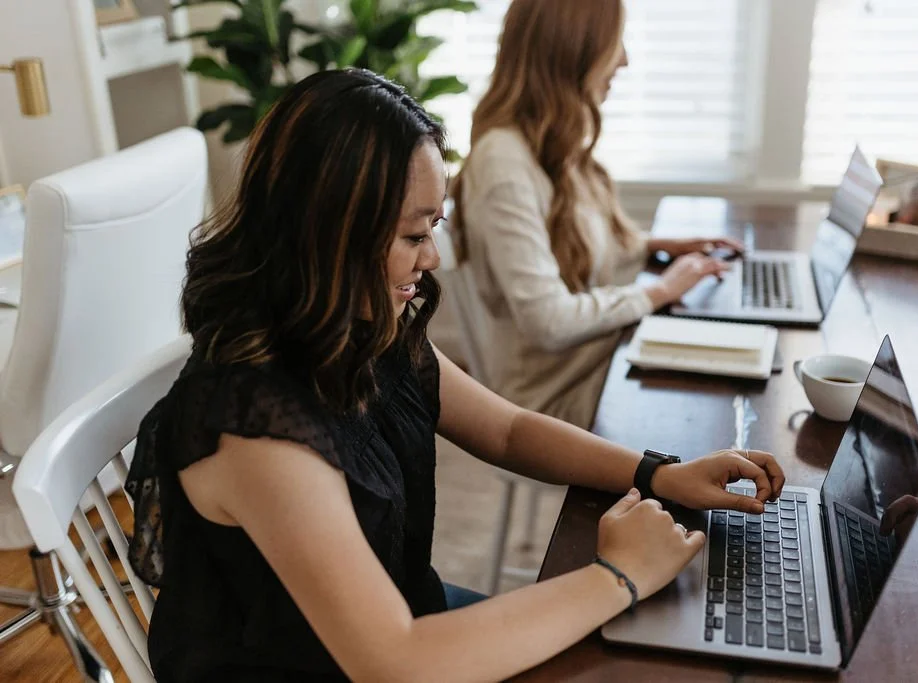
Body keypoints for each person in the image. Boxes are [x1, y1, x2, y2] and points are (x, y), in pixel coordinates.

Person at [124, 68, 785, 682]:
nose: (432, 258)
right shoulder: (256, 426)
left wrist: (658, 472)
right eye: (415, 235)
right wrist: (616, 574)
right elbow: (395, 660)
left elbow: (508, 428)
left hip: (404, 626)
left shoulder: (352, 326)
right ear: (332, 233)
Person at [451, 0, 742, 428]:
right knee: (704, 406)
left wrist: (649, 247)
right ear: (573, 50)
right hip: (548, 397)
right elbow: (548, 322)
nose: (623, 59)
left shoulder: (545, 140)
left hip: (583, 365)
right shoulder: (504, 164)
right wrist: (658, 292)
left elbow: (571, 244)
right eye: (613, 42)